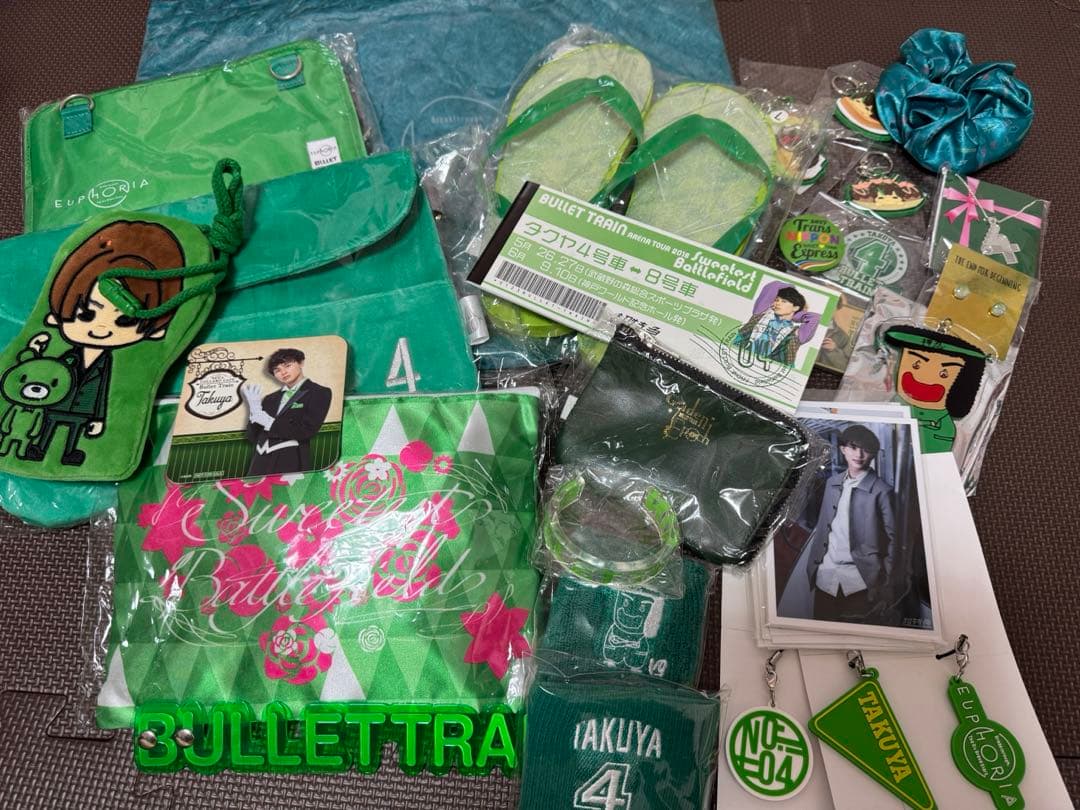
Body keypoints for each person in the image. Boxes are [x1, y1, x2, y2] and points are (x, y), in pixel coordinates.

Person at [23, 220, 185, 466]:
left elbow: (101, 391)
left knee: (73, 435)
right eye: (87, 314)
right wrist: (36, 352)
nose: (100, 329)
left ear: (155, 330)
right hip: (55, 404)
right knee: (47, 428)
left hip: (83, 412)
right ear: (55, 315)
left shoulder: (105, 363)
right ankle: (37, 448)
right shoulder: (67, 357)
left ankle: (69, 453)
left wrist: (98, 419)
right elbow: (46, 373)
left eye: (124, 320)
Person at [805, 424, 897, 623]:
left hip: (861, 583)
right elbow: (824, 529)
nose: (859, 454)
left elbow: (895, 542)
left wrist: (886, 585)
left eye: (866, 449)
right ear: (843, 449)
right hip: (825, 577)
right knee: (819, 636)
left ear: (873, 454)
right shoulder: (832, 483)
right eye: (853, 447)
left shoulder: (882, 491)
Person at [883, 325, 987, 453]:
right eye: (916, 365)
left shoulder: (944, 429)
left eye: (944, 374)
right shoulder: (891, 406)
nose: (924, 380)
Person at [242, 348, 332, 476]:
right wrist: (254, 412)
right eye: (277, 370)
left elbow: (307, 431)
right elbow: (252, 437)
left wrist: (268, 422)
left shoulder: (319, 392)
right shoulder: (269, 399)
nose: (283, 372)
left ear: (301, 363)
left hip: (291, 459)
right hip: (259, 462)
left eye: (287, 365)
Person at [733, 286, 808, 366]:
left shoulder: (794, 332)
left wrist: (800, 316)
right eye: (776, 300)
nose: (778, 303)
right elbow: (773, 286)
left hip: (767, 367)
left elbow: (789, 361)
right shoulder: (760, 316)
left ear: (795, 308)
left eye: (784, 301)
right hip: (741, 358)